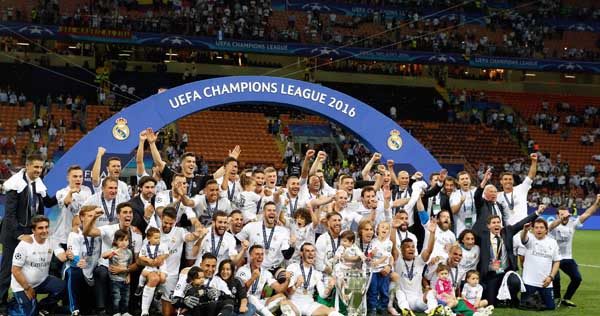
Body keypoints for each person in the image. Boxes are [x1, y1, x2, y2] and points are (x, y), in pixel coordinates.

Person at [0, 155, 57, 310]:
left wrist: (64, 195)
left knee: (29, 268)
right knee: (7, 270)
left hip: (30, 232)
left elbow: (48, 202)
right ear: (27, 166)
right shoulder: (15, 184)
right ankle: (2, 304)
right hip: (13, 233)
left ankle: (22, 299)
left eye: (41, 167)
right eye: (36, 167)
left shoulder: (38, 183)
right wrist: (19, 235)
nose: (39, 170)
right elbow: (10, 215)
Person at [478, 205, 544, 307]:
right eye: (494, 223)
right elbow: (468, 235)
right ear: (488, 226)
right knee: (491, 302)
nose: (497, 224)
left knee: (515, 282)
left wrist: (537, 213)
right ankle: (501, 298)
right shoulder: (483, 237)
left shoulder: (507, 232)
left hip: (506, 272)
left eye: (498, 222)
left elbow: (521, 223)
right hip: (491, 274)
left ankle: (512, 297)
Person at [83, 202, 143, 315]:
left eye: (130, 212)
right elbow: (87, 232)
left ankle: (131, 308)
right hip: (107, 266)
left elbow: (137, 261)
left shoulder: (137, 235)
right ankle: (101, 309)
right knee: (101, 273)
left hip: (125, 267)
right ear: (118, 215)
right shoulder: (109, 229)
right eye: (125, 212)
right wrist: (93, 218)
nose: (128, 215)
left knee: (139, 273)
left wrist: (126, 270)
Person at [9, 215, 67, 315]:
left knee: (63, 287)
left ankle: (42, 306)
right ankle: (13, 306)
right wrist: (27, 288)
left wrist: (68, 254)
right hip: (22, 286)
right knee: (31, 314)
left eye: (46, 227)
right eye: (40, 228)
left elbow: (62, 257)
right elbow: (15, 270)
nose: (45, 230)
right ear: (33, 230)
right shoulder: (24, 245)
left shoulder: (51, 240)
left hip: (42, 281)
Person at [549, 195, 600, 307]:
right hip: (554, 258)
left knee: (577, 278)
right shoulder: (552, 225)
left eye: (566, 214)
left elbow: (587, 214)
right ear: (557, 215)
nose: (565, 216)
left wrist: (596, 203)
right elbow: (552, 226)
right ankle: (556, 298)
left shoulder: (572, 223)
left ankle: (566, 299)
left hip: (567, 258)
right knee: (555, 278)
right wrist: (561, 219)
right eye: (562, 214)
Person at [285, 243, 344, 316]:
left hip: (309, 304)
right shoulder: (293, 267)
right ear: (301, 253)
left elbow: (323, 295)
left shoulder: (317, 273)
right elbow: (287, 293)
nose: (311, 253)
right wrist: (296, 285)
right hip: (294, 302)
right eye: (307, 251)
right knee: (285, 304)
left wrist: (329, 288)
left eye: (313, 251)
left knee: (333, 312)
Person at [65, 205, 102, 316]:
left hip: (93, 270)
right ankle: (74, 310)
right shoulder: (75, 234)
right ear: (81, 217)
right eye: (89, 216)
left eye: (94, 216)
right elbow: (73, 255)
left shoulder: (99, 232)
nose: (92, 218)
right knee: (74, 270)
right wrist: (78, 261)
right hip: (80, 270)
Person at [236, 202, 293, 272]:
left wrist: (292, 246)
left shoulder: (283, 231)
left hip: (274, 268)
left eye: (274, 210)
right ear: (263, 212)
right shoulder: (251, 226)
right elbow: (235, 241)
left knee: (284, 278)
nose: (272, 212)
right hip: (254, 266)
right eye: (269, 210)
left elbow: (287, 256)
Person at [236, 245, 290, 316]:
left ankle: (258, 313)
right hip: (245, 301)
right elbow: (242, 291)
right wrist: (252, 278)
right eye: (257, 254)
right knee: (251, 297)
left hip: (259, 302)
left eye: (262, 254)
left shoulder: (266, 273)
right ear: (250, 256)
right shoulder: (242, 270)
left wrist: (287, 280)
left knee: (281, 296)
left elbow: (279, 289)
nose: (260, 257)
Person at [520, 218, 560, 310]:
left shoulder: (552, 242)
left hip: (545, 283)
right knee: (526, 306)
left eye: (542, 227)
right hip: (529, 282)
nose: (539, 230)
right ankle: (537, 300)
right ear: (533, 229)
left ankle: (539, 299)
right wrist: (525, 230)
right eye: (536, 227)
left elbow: (557, 261)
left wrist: (551, 277)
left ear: (546, 230)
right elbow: (523, 239)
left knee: (550, 307)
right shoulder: (530, 239)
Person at [137, 227, 170, 316]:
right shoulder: (145, 246)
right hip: (150, 266)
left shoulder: (162, 245)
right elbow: (141, 257)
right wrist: (148, 260)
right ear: (148, 238)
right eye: (156, 238)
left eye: (159, 237)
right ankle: (140, 286)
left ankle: (158, 293)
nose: (158, 240)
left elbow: (167, 253)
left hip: (161, 266)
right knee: (144, 273)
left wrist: (160, 258)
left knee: (163, 279)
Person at [102, 229, 134, 316]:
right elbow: (104, 255)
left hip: (125, 279)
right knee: (116, 297)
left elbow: (130, 265)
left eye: (126, 240)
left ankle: (125, 312)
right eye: (121, 240)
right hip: (115, 280)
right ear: (116, 241)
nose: (124, 242)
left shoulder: (129, 252)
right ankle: (116, 312)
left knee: (125, 297)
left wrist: (128, 275)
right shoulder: (113, 250)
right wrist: (112, 252)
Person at [367, 221, 394, 315]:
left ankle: (383, 307)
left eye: (387, 228)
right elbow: (369, 254)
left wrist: (378, 262)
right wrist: (371, 255)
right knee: (373, 289)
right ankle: (373, 307)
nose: (384, 230)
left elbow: (386, 256)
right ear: (377, 229)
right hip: (373, 270)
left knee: (384, 290)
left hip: (383, 269)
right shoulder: (373, 241)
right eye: (382, 227)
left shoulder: (389, 243)